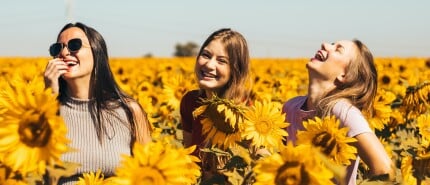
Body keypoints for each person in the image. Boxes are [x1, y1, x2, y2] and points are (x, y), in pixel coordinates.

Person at [43, 22, 151, 184]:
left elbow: (149, 170)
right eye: (57, 48)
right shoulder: (40, 113)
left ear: (96, 51)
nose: (64, 52)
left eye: (74, 45)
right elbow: (38, 171)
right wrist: (49, 98)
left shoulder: (129, 110)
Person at [282, 39, 394, 184]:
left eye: (337, 49)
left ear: (344, 76)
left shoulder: (342, 111)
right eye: (331, 43)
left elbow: (385, 170)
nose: (324, 45)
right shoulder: (290, 107)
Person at [180, 28, 252, 180]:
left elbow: (249, 166)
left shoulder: (247, 111)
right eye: (206, 55)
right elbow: (189, 158)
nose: (209, 65)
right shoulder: (190, 102)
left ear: (235, 70)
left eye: (222, 61)